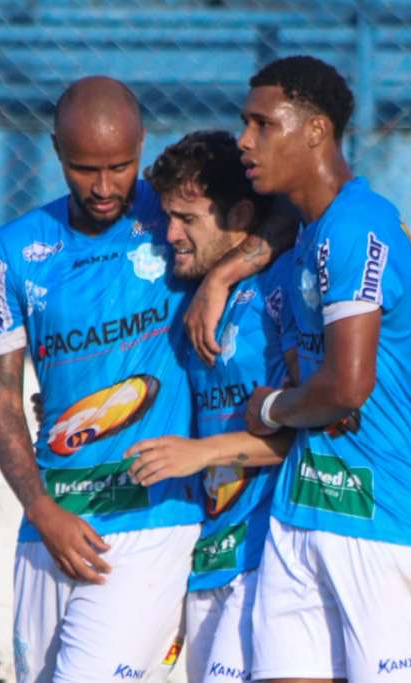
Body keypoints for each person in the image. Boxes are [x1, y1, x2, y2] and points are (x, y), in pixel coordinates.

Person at [235, 55, 411, 682]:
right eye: (243, 124)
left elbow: (346, 385)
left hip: (385, 523)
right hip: (304, 511)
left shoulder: (356, 229)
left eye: (262, 125)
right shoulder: (311, 231)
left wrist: (271, 409)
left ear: (316, 131)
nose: (244, 141)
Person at [0, 76, 204, 683]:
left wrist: (226, 278)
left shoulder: (178, 220)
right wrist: (40, 509)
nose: (104, 187)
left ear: (143, 146)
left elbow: (280, 221)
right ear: (54, 150)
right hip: (53, 525)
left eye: (121, 167)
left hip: (153, 518)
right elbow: (0, 399)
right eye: (84, 169)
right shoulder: (14, 252)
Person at [124, 130, 299, 682]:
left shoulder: (279, 293)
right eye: (168, 217)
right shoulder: (194, 298)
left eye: (188, 219)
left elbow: (308, 427)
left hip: (266, 556)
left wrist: (198, 454)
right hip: (209, 558)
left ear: (240, 214)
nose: (169, 234)